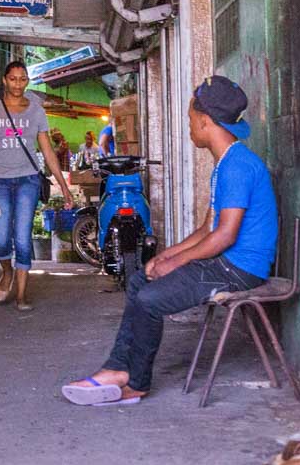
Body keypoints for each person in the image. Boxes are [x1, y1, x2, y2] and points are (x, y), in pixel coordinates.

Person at [62, 76, 277, 405]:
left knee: (150, 300)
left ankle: (135, 383)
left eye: (191, 120)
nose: (189, 127)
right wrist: (166, 256)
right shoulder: (226, 163)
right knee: (138, 281)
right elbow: (208, 227)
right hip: (225, 262)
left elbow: (225, 235)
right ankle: (118, 368)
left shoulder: (238, 167)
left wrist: (177, 262)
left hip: (238, 269)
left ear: (205, 122)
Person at [0, 62, 73, 311]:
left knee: (23, 237)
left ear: (27, 81)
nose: (18, 84)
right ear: (5, 80)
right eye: (13, 79)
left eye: (23, 79)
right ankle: (6, 273)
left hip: (28, 179)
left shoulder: (36, 111)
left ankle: (21, 294)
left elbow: (47, 150)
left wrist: (64, 186)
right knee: (2, 237)